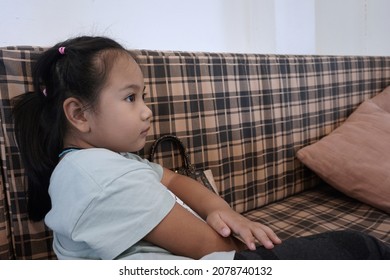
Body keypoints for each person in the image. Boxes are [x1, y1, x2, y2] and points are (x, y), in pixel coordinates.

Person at [12, 36, 390, 260]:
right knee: (358, 249)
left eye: (143, 96)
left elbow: (174, 180)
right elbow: (214, 251)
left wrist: (222, 209)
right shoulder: (95, 178)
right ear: (79, 114)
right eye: (130, 98)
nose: (147, 111)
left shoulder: (111, 162)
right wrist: (226, 227)